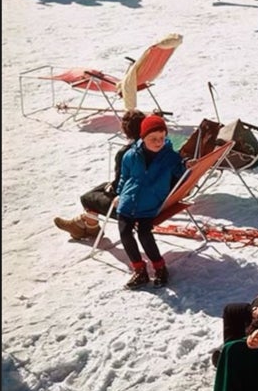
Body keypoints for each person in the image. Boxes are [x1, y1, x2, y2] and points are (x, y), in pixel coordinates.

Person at [111, 112, 182, 290]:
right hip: (128, 200)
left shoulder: (170, 157)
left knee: (144, 234)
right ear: (143, 137)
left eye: (162, 138)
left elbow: (182, 173)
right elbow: (124, 177)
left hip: (150, 203)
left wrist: (188, 165)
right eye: (153, 139)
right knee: (125, 233)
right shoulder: (130, 155)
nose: (158, 142)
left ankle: (160, 267)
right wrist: (119, 194)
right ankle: (139, 269)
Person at [53, 110, 146, 241]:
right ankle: (85, 226)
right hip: (155, 200)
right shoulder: (156, 147)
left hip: (134, 209)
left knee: (87, 198)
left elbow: (121, 188)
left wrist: (111, 189)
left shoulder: (127, 153)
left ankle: (88, 226)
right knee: (103, 186)